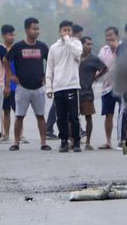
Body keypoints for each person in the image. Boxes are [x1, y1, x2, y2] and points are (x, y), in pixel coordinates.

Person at [4, 17, 51, 151]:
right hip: (22, 87)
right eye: (34, 29)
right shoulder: (18, 47)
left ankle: (43, 142)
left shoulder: (42, 46)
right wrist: (11, 75)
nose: (37, 31)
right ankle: (16, 143)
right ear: (26, 30)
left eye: (38, 29)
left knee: (40, 116)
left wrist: (47, 76)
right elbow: (6, 60)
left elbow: (50, 61)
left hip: (38, 87)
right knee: (19, 116)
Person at [45, 20, 83, 153]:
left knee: (73, 117)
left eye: (69, 30)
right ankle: (63, 141)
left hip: (72, 85)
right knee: (60, 117)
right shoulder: (54, 48)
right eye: (64, 30)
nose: (66, 33)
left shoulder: (76, 44)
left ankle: (77, 141)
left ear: (72, 32)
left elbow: (77, 54)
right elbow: (50, 67)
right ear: (59, 31)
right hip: (58, 87)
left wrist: (68, 40)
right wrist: (49, 87)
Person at [78, 36, 107, 150]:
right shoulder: (75, 57)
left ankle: (88, 142)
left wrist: (96, 76)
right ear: (81, 44)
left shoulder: (93, 59)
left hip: (87, 92)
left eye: (91, 44)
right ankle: (73, 139)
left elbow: (104, 68)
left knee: (88, 117)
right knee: (71, 118)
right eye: (87, 44)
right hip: (74, 91)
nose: (89, 46)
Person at [97, 27, 121, 149]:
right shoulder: (103, 51)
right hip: (107, 87)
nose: (108, 38)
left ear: (117, 35)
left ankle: (125, 139)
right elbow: (100, 67)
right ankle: (108, 141)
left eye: (111, 35)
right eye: (106, 36)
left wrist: (116, 49)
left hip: (122, 86)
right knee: (108, 114)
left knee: (124, 114)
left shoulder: (123, 48)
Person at [0, 24, 19, 143]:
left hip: (16, 85)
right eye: (10, 35)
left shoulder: (17, 49)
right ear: (3, 36)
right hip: (3, 84)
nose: (12, 37)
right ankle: (6, 135)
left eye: (13, 35)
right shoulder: (1, 50)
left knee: (18, 112)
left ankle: (20, 135)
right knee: (6, 111)